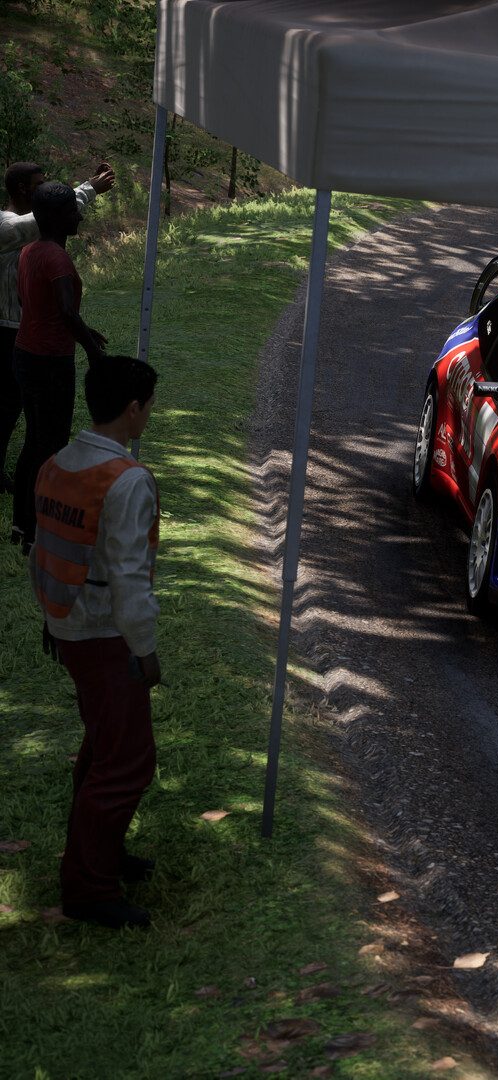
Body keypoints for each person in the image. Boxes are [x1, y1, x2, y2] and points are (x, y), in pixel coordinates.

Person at [33, 354, 162, 929]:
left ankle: (99, 853)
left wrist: (51, 617)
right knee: (128, 761)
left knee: (102, 746)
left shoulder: (57, 462)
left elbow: (47, 548)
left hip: (67, 623)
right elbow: (130, 578)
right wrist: (145, 650)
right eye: (148, 408)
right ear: (133, 410)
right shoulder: (127, 480)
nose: (148, 417)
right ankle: (87, 887)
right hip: (107, 634)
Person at [1, 161, 111, 497]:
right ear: (23, 189)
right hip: (8, 331)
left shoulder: (35, 244)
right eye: (41, 183)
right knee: (13, 410)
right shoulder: (8, 227)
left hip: (21, 328)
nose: (45, 186)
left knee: (18, 409)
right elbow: (42, 220)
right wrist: (87, 189)